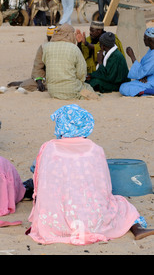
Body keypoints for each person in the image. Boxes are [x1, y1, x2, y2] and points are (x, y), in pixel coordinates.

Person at [27, 104, 154, 244]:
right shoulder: (94, 149)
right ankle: (137, 229)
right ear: (86, 126)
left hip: (53, 224)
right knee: (123, 205)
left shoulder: (49, 148)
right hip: (92, 221)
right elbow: (105, 187)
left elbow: (39, 182)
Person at [42, 24, 98, 100]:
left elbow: (46, 64)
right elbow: (81, 73)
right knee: (88, 88)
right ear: (68, 35)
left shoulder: (46, 47)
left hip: (52, 90)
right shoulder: (74, 48)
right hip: (71, 90)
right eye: (73, 34)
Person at [3, 26, 57, 93]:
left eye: (53, 38)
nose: (51, 40)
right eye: (49, 38)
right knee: (25, 85)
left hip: (60, 78)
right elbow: (37, 67)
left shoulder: (66, 47)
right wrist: (39, 81)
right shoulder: (43, 47)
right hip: (46, 77)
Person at [119, 28, 154, 97]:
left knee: (124, 87)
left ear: (149, 40)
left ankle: (148, 91)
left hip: (151, 81)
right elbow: (145, 69)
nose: (143, 40)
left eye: (144, 38)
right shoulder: (151, 50)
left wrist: (132, 56)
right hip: (148, 78)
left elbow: (142, 72)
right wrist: (143, 75)